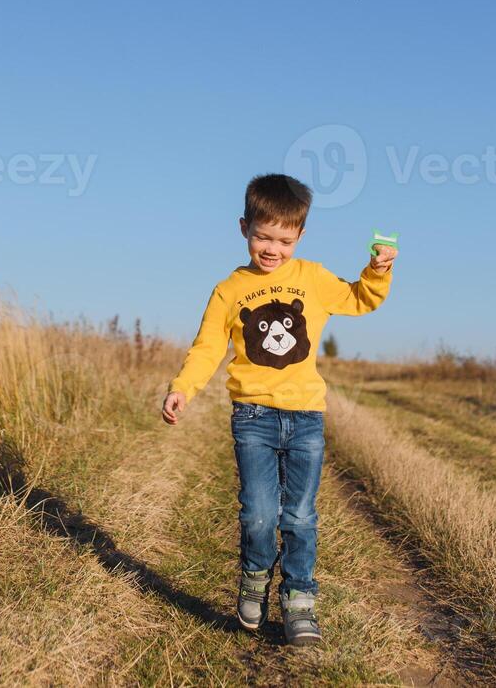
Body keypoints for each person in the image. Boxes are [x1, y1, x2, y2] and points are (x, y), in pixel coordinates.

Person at [160, 173, 396, 646]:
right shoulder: (230, 290)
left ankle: (299, 600)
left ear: (300, 237)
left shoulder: (311, 277)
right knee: (260, 513)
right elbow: (208, 347)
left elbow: (358, 299)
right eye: (263, 236)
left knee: (301, 516)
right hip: (253, 417)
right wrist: (183, 387)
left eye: (284, 240)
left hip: (306, 415)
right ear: (244, 227)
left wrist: (378, 270)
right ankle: (253, 577)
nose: (272, 249)